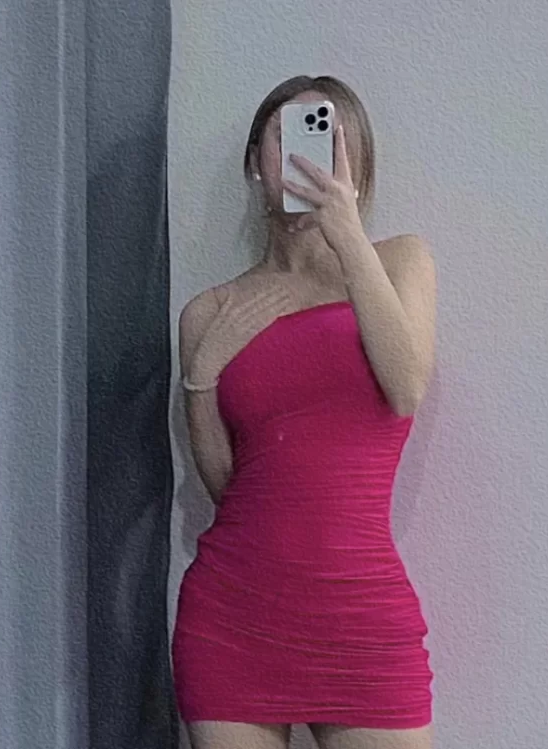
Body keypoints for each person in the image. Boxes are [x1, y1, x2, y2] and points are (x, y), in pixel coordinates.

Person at [172, 75, 437, 749]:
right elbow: (227, 489)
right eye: (283, 137)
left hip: (362, 614)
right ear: (254, 163)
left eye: (326, 137)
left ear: (359, 165)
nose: (302, 156)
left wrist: (347, 237)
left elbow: (406, 386)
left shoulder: (398, 262)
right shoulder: (210, 311)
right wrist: (200, 381)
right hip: (233, 617)